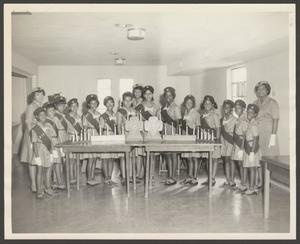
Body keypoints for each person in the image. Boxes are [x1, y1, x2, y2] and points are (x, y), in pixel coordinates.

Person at [253, 81, 280, 188]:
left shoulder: (273, 103)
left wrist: (273, 136)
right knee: (258, 158)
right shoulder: (255, 103)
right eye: (258, 89)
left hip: (268, 134)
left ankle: (267, 181)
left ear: (267, 90)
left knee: (269, 159)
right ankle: (260, 181)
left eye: (263, 89)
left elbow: (276, 119)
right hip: (257, 134)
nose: (260, 91)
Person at [20, 87, 45, 192]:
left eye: (42, 94)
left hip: (41, 134)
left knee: (40, 158)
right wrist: (32, 137)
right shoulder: (31, 106)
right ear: (33, 96)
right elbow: (28, 123)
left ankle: (40, 182)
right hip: (33, 134)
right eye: (38, 94)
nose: (41, 96)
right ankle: (34, 184)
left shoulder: (42, 106)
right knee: (32, 159)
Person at [31, 107, 56, 199]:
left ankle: (48, 187)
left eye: (44, 114)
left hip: (48, 150)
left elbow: (51, 140)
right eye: (41, 115)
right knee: (40, 171)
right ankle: (39, 190)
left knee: (49, 169)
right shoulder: (35, 128)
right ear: (37, 116)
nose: (43, 116)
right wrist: (37, 157)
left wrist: (53, 152)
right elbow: (34, 143)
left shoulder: (49, 126)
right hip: (39, 151)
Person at [116, 92, 139, 184]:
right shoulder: (120, 111)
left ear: (132, 101)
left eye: (130, 100)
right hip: (124, 136)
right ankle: (124, 177)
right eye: (126, 100)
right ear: (123, 101)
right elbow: (118, 125)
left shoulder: (135, 111)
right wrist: (120, 137)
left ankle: (132, 176)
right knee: (123, 157)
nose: (128, 102)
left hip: (134, 136)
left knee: (133, 156)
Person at [99, 96, 122, 186]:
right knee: (105, 158)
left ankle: (110, 178)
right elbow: (101, 129)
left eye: (111, 102)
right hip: (106, 136)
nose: (110, 104)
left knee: (112, 158)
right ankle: (106, 178)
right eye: (107, 102)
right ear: (105, 104)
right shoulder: (103, 116)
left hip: (114, 136)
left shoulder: (116, 114)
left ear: (113, 104)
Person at [160, 87, 181, 185]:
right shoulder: (164, 107)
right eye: (166, 95)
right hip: (165, 133)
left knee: (173, 155)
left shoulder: (175, 107)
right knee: (167, 155)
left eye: (170, 95)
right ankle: (169, 176)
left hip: (173, 133)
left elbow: (178, 123)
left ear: (173, 96)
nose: (168, 97)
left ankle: (173, 177)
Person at [43, 101, 65, 189]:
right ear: (46, 113)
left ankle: (59, 182)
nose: (52, 112)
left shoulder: (56, 119)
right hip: (50, 144)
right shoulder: (45, 121)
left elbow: (60, 130)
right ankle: (49, 184)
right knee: (51, 164)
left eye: (53, 110)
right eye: (50, 111)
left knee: (58, 162)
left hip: (57, 142)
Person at [141, 85, 161, 182]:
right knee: (146, 154)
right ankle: (146, 174)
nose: (148, 95)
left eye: (150, 93)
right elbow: (139, 120)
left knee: (152, 154)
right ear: (144, 95)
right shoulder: (140, 105)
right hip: (145, 131)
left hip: (154, 133)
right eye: (146, 93)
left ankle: (151, 175)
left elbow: (159, 119)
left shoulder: (156, 106)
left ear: (152, 94)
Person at [200, 95, 221, 186]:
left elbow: (218, 128)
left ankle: (212, 178)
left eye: (209, 103)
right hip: (205, 138)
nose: (207, 105)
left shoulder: (215, 115)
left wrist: (217, 140)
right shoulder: (203, 114)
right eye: (205, 103)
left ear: (213, 104)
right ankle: (209, 177)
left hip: (213, 138)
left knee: (214, 159)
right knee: (207, 159)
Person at [180, 95, 201, 186]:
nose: (189, 104)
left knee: (194, 158)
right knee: (188, 158)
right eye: (187, 102)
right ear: (185, 103)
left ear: (193, 104)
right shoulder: (185, 112)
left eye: (191, 102)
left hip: (193, 137)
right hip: (185, 137)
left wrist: (195, 136)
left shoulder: (196, 113)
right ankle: (189, 176)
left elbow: (198, 127)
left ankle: (195, 177)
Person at [82, 94, 101, 186]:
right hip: (89, 135)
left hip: (97, 135)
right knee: (90, 158)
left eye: (95, 103)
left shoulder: (98, 114)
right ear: (88, 104)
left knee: (94, 158)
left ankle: (92, 177)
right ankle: (89, 178)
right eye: (91, 103)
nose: (93, 105)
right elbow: (84, 127)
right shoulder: (86, 114)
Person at [242, 104, 262, 195]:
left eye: (251, 112)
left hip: (252, 148)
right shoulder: (249, 123)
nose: (249, 113)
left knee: (252, 169)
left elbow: (256, 139)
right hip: (248, 147)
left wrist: (252, 152)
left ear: (255, 114)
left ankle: (252, 188)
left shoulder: (254, 124)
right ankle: (253, 187)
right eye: (248, 111)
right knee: (251, 168)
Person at [65, 98, 84, 184]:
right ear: (69, 107)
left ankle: (76, 177)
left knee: (77, 159)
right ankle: (70, 177)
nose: (74, 108)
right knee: (70, 159)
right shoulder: (67, 117)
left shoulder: (80, 117)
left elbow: (82, 128)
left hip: (78, 139)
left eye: (76, 106)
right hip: (71, 138)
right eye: (72, 106)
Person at [231, 99, 248, 192]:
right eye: (235, 108)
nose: (237, 110)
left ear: (243, 109)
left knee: (242, 164)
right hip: (237, 144)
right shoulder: (239, 118)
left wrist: (241, 148)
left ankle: (244, 184)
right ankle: (242, 183)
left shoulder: (244, 119)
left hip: (241, 144)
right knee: (240, 164)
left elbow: (245, 134)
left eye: (239, 108)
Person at [220, 99, 237, 187]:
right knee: (226, 160)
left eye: (228, 107)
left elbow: (235, 132)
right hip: (224, 141)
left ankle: (232, 179)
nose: (226, 109)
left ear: (231, 109)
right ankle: (227, 179)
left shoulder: (234, 119)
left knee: (231, 160)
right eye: (224, 107)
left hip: (231, 141)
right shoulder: (222, 119)